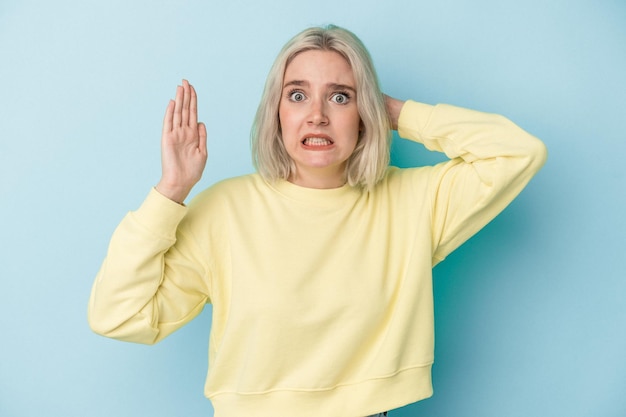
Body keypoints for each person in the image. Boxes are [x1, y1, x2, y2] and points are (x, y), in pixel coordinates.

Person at [88, 25, 547, 417]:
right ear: (277, 113)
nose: (317, 116)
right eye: (298, 94)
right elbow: (119, 316)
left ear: (363, 114)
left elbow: (518, 152)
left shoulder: (414, 200)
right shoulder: (223, 210)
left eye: (341, 97)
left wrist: (395, 112)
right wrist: (170, 192)